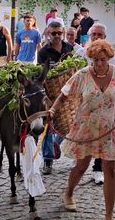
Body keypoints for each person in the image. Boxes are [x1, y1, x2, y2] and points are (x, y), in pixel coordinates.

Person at [48, 40, 115, 220]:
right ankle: (69, 192)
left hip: (109, 130)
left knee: (110, 170)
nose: (98, 64)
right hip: (85, 129)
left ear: (109, 58)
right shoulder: (83, 75)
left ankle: (109, 215)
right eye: (95, 60)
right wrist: (52, 110)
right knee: (81, 166)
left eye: (102, 60)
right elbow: (64, 94)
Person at [72, 23, 115, 185]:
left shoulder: (112, 55)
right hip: (83, 102)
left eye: (100, 35)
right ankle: (79, 162)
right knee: (81, 134)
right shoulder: (80, 53)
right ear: (89, 36)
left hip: (104, 105)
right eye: (94, 35)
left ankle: (98, 169)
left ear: (105, 37)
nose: (97, 38)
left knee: (102, 138)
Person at [38, 21, 73, 175]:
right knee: (48, 126)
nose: (57, 36)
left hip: (68, 94)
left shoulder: (69, 48)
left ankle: (55, 144)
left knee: (68, 124)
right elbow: (41, 75)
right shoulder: (43, 52)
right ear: (48, 33)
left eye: (59, 33)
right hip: (51, 94)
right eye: (54, 33)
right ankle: (47, 160)